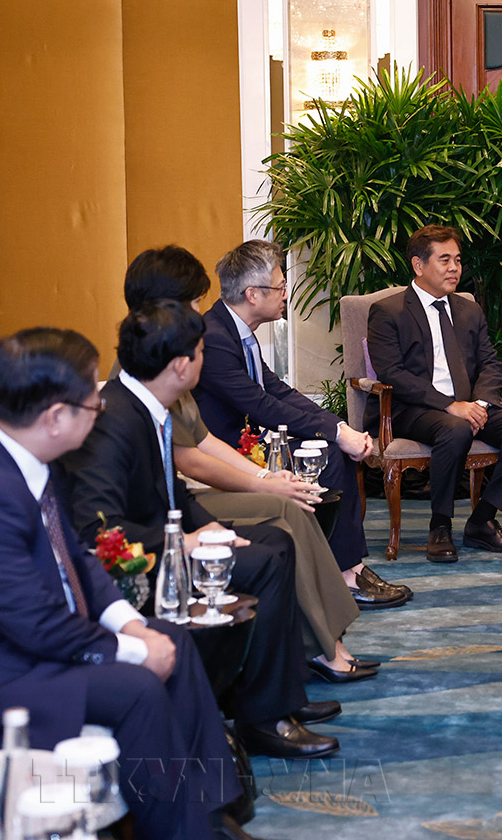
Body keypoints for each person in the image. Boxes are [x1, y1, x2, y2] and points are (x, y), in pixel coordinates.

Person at [0, 327, 263, 840]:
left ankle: (211, 812)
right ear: (55, 417)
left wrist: (131, 625)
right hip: (4, 671)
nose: (100, 409)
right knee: (136, 687)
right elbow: (33, 622)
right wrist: (128, 650)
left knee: (172, 638)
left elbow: (78, 559)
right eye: (92, 402)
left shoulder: (25, 453)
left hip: (44, 643)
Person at [61, 301, 341, 759]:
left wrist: (213, 529)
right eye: (201, 351)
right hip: (142, 562)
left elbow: (174, 495)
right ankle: (265, 719)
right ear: (180, 365)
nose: (204, 361)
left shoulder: (145, 405)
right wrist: (185, 541)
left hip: (166, 539)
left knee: (274, 541)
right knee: (265, 562)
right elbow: (98, 527)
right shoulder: (115, 420)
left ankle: (278, 694)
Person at [120, 245, 378, 682]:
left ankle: (329, 637)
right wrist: (263, 482)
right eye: (193, 302)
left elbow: (203, 437)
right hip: (170, 510)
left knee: (289, 505)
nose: (200, 313)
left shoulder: (172, 356)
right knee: (284, 513)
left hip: (189, 494)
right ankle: (323, 645)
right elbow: (189, 459)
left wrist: (266, 475)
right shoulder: (158, 364)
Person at [192, 239, 408, 609]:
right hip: (229, 453)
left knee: (331, 449)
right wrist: (337, 434)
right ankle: (344, 572)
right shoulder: (214, 338)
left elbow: (277, 391)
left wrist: (339, 427)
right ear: (252, 294)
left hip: (255, 441)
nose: (285, 294)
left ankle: (348, 567)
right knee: (328, 455)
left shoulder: (235, 330)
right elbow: (260, 406)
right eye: (280, 287)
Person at [365, 225, 502, 563]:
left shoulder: (468, 310)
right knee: (456, 427)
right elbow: (392, 373)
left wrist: (479, 405)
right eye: (444, 260)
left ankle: (482, 521)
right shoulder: (388, 311)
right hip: (411, 409)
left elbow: (490, 363)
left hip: (466, 405)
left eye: (458, 260)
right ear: (419, 265)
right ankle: (440, 526)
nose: (454, 268)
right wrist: (450, 406)